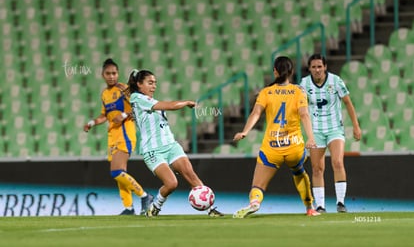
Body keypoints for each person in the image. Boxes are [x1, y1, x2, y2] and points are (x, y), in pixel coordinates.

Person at [127, 69, 223, 217]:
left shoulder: (147, 102)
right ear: (139, 84)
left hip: (171, 145)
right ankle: (155, 206)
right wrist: (186, 102)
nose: (154, 86)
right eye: (150, 83)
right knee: (171, 183)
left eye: (155, 83)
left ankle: (210, 210)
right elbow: (170, 106)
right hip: (153, 150)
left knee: (191, 175)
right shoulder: (136, 97)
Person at [233, 56, 320, 218]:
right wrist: (311, 138)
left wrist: (245, 131)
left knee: (258, 185)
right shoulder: (298, 91)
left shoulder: (266, 92)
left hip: (272, 147)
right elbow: (304, 115)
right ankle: (310, 207)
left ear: (275, 72)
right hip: (294, 146)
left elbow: (256, 113)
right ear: (291, 72)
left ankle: (255, 203)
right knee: (299, 171)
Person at [83, 58, 153, 215]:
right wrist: (92, 123)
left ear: (118, 73)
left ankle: (145, 195)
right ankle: (128, 208)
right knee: (120, 173)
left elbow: (138, 106)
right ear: (102, 75)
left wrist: (124, 114)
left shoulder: (124, 89)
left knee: (115, 172)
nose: (111, 76)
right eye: (108, 73)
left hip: (125, 134)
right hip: (112, 136)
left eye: (114, 73)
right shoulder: (105, 94)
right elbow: (104, 115)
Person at [300, 54, 361, 213]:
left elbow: (348, 102)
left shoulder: (336, 81)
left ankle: (340, 203)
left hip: (335, 129)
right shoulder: (304, 84)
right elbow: (299, 105)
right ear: (309, 69)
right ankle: (320, 206)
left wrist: (356, 126)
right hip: (316, 131)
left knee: (338, 162)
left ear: (325, 67)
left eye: (320, 66)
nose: (317, 70)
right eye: (313, 67)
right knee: (317, 168)